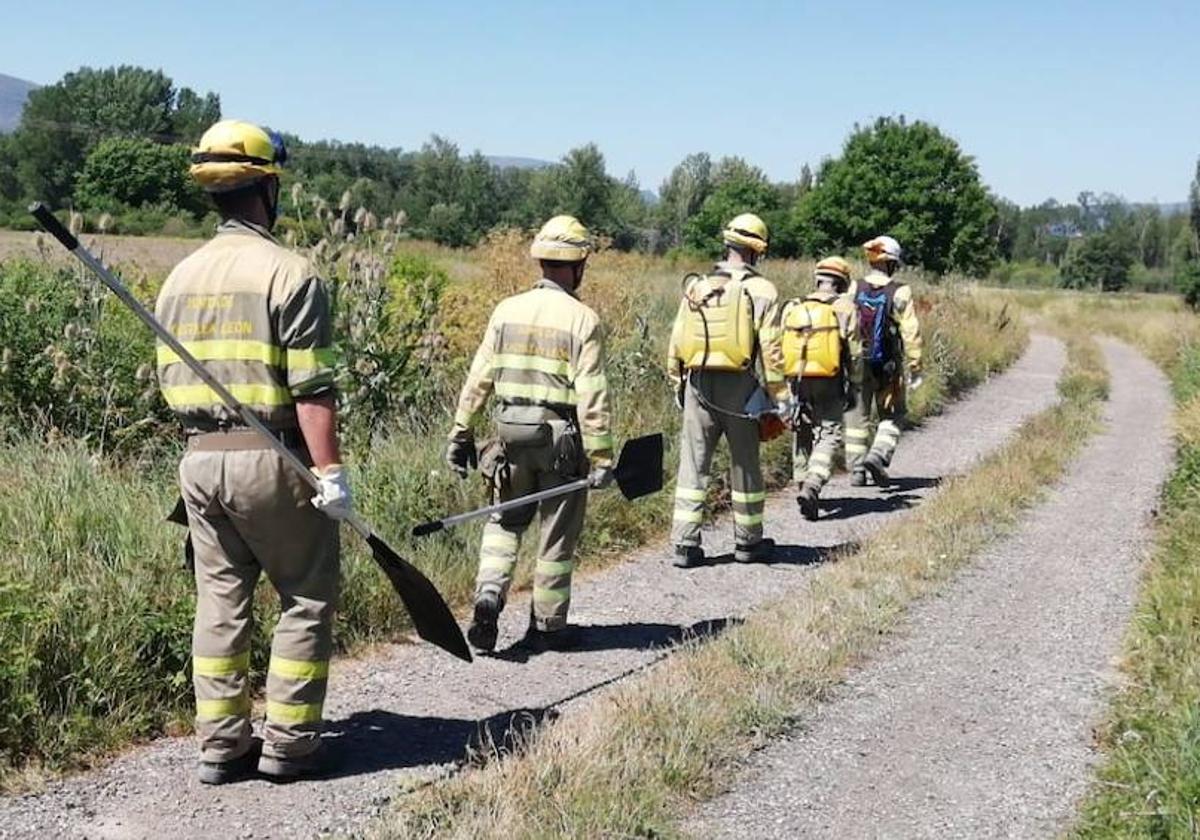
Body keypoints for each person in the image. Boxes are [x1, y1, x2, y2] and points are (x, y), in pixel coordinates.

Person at [156, 120, 351, 784]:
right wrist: (329, 473)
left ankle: (221, 743)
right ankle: (290, 744)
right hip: (273, 458)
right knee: (305, 595)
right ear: (268, 186)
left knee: (219, 599)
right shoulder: (291, 273)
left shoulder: (179, 277)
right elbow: (313, 390)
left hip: (198, 460)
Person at [446, 215, 613, 654]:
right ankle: (548, 626)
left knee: (504, 521)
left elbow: (478, 377)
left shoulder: (506, 310)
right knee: (556, 533)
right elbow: (592, 395)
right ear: (578, 264)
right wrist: (601, 458)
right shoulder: (583, 319)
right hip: (559, 442)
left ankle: (488, 595)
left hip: (507, 436)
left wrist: (460, 432)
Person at [667, 213, 786, 568]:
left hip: (698, 383)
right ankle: (748, 542)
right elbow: (773, 348)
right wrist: (778, 394)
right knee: (745, 463)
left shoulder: (697, 286)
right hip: (741, 385)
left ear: (728, 244)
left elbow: (676, 341)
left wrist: (678, 383)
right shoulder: (763, 290)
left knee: (693, 464)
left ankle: (685, 545)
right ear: (757, 252)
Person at [781, 257, 860, 520]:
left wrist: (783, 384)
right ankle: (815, 482)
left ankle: (802, 481)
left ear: (818, 278)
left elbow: (781, 346)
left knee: (802, 428)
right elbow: (856, 352)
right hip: (830, 378)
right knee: (829, 432)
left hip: (797, 378)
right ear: (843, 282)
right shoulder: (846, 307)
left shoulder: (794, 305)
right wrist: (855, 385)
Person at [844, 235, 923, 487]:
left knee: (857, 417)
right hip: (888, 367)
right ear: (892, 263)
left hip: (857, 363)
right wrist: (915, 365)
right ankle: (878, 455)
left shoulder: (853, 287)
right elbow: (911, 331)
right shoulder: (900, 291)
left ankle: (857, 471)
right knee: (894, 414)